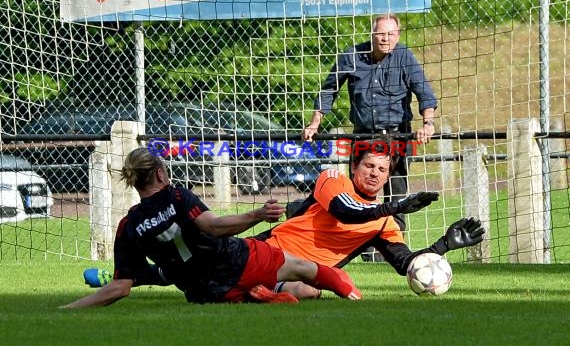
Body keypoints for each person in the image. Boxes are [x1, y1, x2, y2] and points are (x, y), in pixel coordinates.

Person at [84, 140, 484, 300]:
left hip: (298, 271)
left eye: (382, 168)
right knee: (198, 261)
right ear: (354, 165)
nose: (375, 174)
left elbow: (406, 266)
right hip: (272, 247)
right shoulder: (334, 179)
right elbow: (347, 212)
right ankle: (127, 277)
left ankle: (127, 277)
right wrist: (391, 208)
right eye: (369, 166)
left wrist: (443, 247)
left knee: (194, 267)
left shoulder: (383, 223)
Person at [61, 147, 362, 309]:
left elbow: (120, 287)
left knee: (293, 291)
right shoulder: (176, 195)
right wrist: (258, 213)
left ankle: (266, 296)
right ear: (161, 173)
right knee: (304, 269)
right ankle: (351, 295)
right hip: (239, 263)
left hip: (207, 292)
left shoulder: (129, 225)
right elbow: (215, 227)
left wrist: (72, 308)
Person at [302, 13, 438, 232]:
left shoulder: (404, 56)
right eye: (381, 34)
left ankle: (395, 245)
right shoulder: (352, 55)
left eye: (391, 34)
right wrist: (314, 123)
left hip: (398, 135)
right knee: (358, 194)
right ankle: (365, 250)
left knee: (396, 196)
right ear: (372, 34)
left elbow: (424, 91)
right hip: (363, 136)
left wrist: (428, 124)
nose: (386, 39)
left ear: (398, 35)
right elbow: (329, 89)